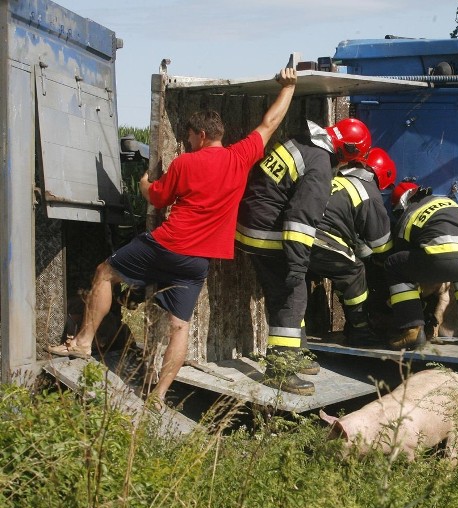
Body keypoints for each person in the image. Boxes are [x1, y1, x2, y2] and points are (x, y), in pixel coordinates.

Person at [48, 66, 300, 407]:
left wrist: (144, 184)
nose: (187, 141)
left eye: (190, 136)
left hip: (165, 245)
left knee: (105, 273)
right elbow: (269, 123)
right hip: (197, 262)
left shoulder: (185, 163)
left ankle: (81, 343)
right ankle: (160, 395)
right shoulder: (240, 158)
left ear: (199, 134)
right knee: (179, 327)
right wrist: (289, 86)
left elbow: (156, 198)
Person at [235, 118, 372, 395]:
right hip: (266, 233)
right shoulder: (320, 165)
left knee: (284, 294)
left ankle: (295, 354)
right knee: (292, 295)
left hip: (250, 226)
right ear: (346, 152)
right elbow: (301, 219)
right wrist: (298, 266)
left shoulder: (303, 142)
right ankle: (280, 370)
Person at [384, 181, 458, 350]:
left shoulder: (410, 213)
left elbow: (402, 253)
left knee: (395, 265)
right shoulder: (448, 203)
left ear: (402, 203)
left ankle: (412, 330)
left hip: (444, 255)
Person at [308, 147, 395, 347]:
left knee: (342, 271)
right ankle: (360, 331)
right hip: (321, 236)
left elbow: (354, 236)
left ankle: (351, 325)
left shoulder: (337, 180)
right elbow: (381, 245)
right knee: (354, 272)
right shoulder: (369, 192)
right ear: (380, 176)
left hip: (299, 233)